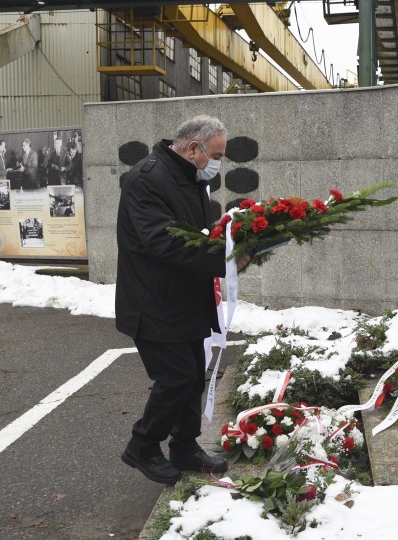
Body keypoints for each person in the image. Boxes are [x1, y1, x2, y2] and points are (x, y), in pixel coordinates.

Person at [115, 115, 250, 485]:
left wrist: (235, 240)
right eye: (217, 154)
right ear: (194, 148)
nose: (218, 163)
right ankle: (142, 446)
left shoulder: (187, 177)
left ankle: (185, 446)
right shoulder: (147, 179)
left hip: (185, 297)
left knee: (193, 377)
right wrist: (224, 259)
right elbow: (162, 240)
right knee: (176, 377)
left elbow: (200, 233)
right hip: (153, 301)